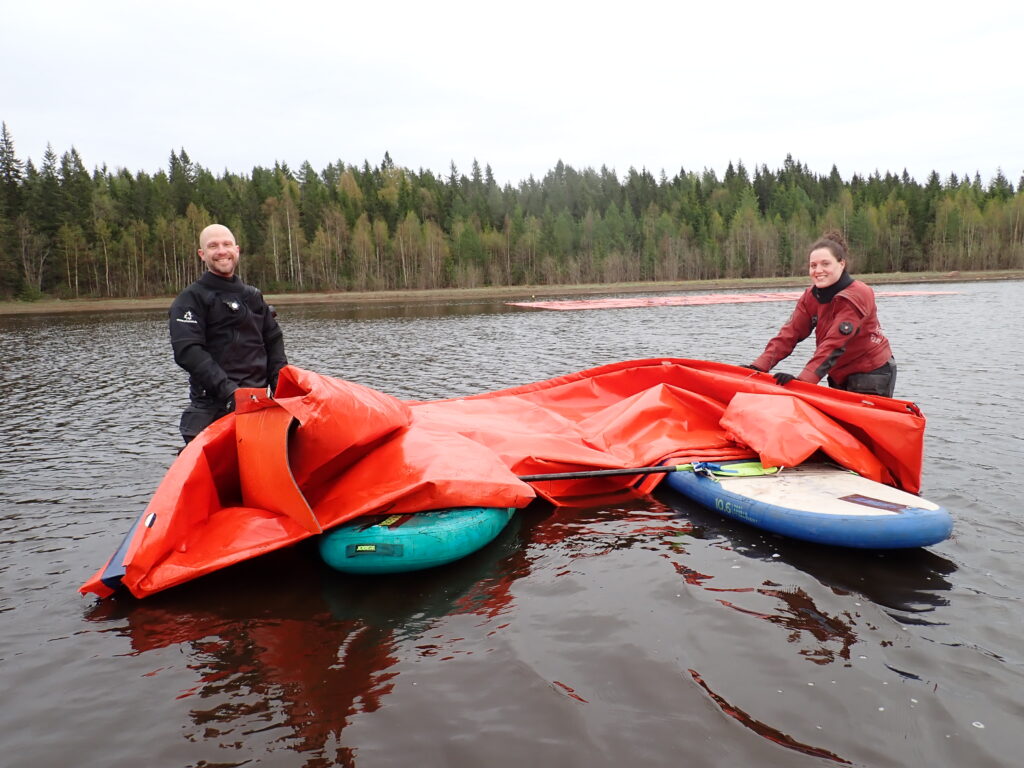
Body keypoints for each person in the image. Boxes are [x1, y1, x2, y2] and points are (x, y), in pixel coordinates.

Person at [169, 223, 288, 444]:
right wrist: (231, 393)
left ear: (237, 249)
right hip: (214, 409)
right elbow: (188, 351)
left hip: (257, 407)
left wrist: (281, 387)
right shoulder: (191, 299)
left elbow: (273, 341)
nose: (222, 251)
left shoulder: (252, 296)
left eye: (227, 244)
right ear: (202, 254)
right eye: (213, 246)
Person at [745, 230, 896, 397]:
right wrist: (757, 368)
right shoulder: (811, 296)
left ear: (841, 264)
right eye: (813, 265)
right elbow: (789, 334)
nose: (818, 270)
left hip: (872, 373)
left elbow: (834, 343)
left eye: (825, 264)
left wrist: (803, 381)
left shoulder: (857, 295)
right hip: (839, 372)